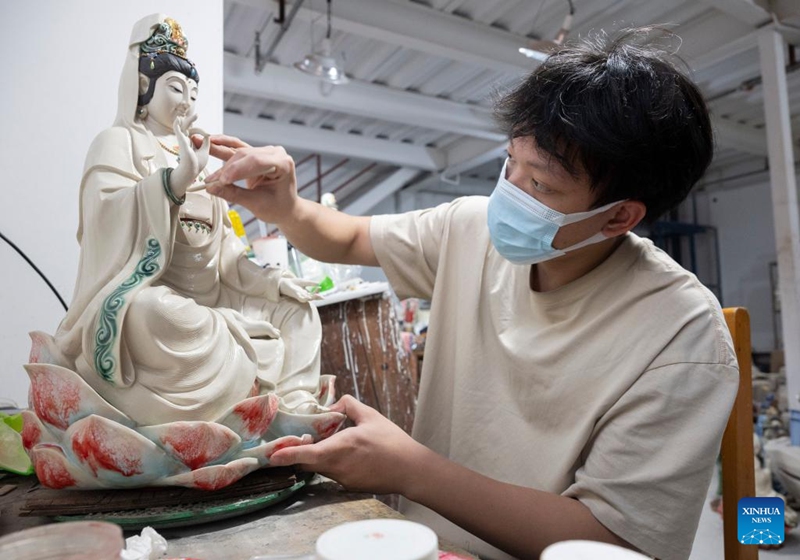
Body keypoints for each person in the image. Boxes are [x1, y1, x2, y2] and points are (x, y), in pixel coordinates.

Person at [202, 28, 738, 560]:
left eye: (541, 186)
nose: (510, 192)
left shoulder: (682, 332)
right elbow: (346, 236)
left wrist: (410, 470)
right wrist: (287, 207)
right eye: (511, 163)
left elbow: (613, 543)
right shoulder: (469, 229)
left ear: (620, 216)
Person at [49, 14, 327, 427]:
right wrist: (172, 182)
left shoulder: (198, 155)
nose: (186, 102)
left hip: (213, 296)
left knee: (298, 311)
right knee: (157, 313)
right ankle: (239, 382)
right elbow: (104, 218)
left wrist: (272, 281)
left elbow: (227, 255)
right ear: (143, 86)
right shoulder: (118, 141)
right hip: (148, 292)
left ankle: (294, 406)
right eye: (176, 88)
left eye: (193, 93)